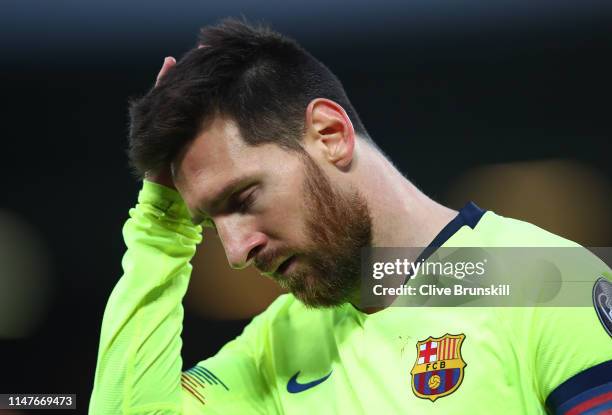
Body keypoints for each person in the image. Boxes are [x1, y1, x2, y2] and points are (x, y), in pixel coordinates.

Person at [89, 19, 612, 414]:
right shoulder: (278, 341)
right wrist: (162, 227)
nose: (234, 253)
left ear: (330, 136)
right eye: (206, 222)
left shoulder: (546, 280)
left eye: (243, 198)